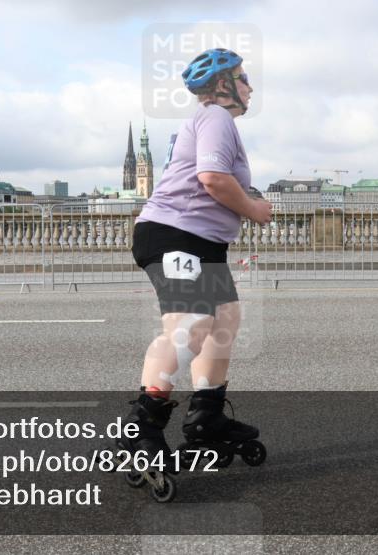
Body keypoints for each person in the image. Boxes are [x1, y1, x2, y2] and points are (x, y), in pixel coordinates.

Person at [118, 48, 272, 472]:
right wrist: (253, 209)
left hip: (201, 241)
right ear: (223, 85)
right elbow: (213, 178)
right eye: (243, 78)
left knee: (224, 320)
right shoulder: (216, 116)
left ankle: (207, 415)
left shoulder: (214, 122)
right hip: (175, 235)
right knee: (192, 323)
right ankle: (140, 428)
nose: (250, 86)